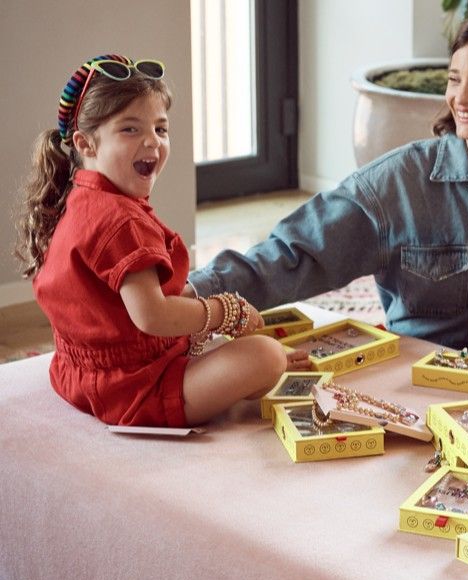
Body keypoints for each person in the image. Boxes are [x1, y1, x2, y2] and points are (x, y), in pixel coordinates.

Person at [185, 11, 468, 366]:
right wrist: (191, 295)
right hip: (419, 383)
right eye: (454, 80)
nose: (460, 97)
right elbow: (295, 254)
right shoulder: (399, 183)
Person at [16, 54, 285, 427]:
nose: (152, 142)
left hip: (76, 373)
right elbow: (152, 316)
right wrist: (226, 312)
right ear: (86, 144)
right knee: (268, 357)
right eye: (130, 129)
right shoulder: (121, 220)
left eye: (161, 129)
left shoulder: (77, 196)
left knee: (214, 329)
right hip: (134, 387)